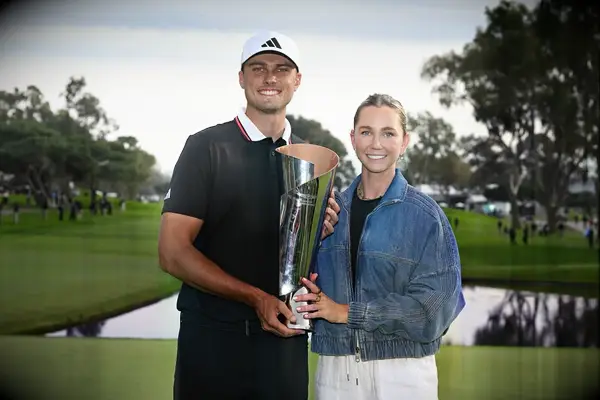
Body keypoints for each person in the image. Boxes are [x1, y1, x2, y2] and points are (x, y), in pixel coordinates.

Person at [158, 31, 340, 400]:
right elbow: (172, 252)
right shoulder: (206, 147)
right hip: (213, 345)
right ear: (241, 78)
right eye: (257, 68)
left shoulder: (310, 161)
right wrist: (256, 298)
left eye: (281, 69)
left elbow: (294, 256)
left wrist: (318, 234)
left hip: (284, 344)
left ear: (297, 80)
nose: (269, 77)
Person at [295, 93, 466, 400]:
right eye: (366, 132)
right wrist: (311, 241)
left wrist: (348, 313)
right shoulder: (327, 213)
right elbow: (293, 292)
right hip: (336, 372)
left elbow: (434, 311)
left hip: (404, 374)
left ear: (404, 142)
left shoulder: (426, 216)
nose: (376, 144)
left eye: (388, 133)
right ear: (353, 139)